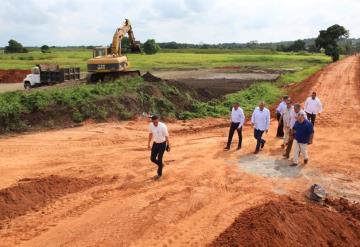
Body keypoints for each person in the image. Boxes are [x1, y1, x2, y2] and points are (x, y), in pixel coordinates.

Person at [147, 115, 170, 180]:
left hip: (162, 144)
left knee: (159, 159)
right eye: (154, 122)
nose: (155, 123)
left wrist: (168, 145)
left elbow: (166, 136)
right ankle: (161, 165)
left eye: (156, 122)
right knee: (152, 158)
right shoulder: (151, 125)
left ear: (158, 120)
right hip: (155, 143)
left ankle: (159, 174)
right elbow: (150, 134)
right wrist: (148, 144)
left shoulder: (163, 126)